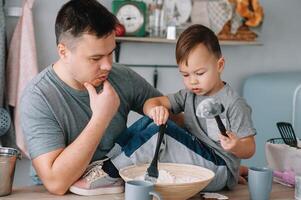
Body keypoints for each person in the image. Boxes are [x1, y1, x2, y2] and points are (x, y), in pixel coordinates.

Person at [71, 24, 256, 194]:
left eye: (200, 73)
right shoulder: (188, 95)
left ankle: (111, 173)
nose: (192, 81)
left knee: (162, 132)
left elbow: (249, 148)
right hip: (197, 155)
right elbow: (152, 102)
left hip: (219, 167)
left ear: (219, 65)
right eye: (185, 74)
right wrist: (155, 110)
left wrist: (236, 145)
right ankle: (107, 164)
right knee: (150, 120)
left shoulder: (234, 103)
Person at [19, 0, 164, 195]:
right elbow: (56, 184)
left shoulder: (122, 77)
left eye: (111, 53)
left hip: (115, 189)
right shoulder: (38, 97)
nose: (108, 66)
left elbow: (169, 112)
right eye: (95, 58)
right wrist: (101, 117)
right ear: (63, 52)